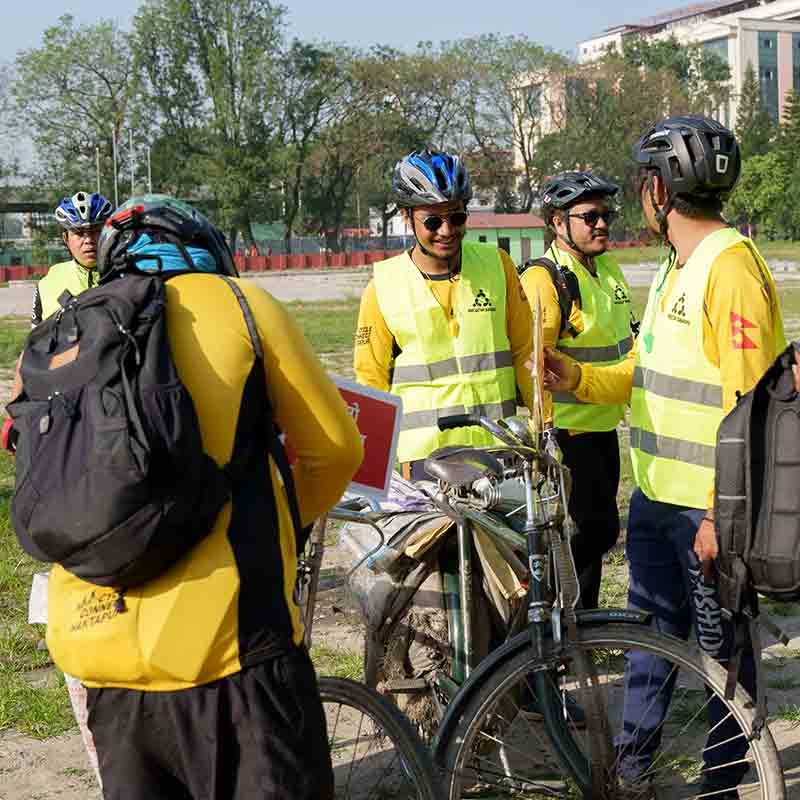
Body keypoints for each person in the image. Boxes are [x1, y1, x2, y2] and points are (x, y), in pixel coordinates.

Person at [42, 195, 364, 800]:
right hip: (230, 654)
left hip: (102, 665)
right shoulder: (243, 305)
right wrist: (285, 527)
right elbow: (336, 450)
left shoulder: (66, 327)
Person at [543, 116, 785, 798]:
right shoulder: (677, 266)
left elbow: (754, 407)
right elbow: (647, 370)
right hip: (656, 499)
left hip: (706, 511)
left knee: (722, 660)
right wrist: (576, 378)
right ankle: (632, 768)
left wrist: (718, 515)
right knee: (652, 638)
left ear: (658, 190)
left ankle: (722, 783)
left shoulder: (729, 267)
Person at [354, 147, 534, 477]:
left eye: (457, 217)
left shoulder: (499, 266)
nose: (447, 230)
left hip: (498, 451)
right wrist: (373, 471)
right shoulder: (382, 286)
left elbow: (527, 352)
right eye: (433, 221)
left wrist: (545, 429)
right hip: (425, 463)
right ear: (407, 218)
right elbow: (371, 382)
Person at [519, 171, 633, 610]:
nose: (601, 224)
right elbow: (534, 366)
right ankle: (564, 627)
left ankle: (579, 622)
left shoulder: (608, 268)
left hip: (604, 425)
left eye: (606, 215)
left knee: (598, 531)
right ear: (557, 222)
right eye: (589, 216)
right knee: (583, 533)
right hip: (564, 435)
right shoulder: (545, 281)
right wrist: (543, 440)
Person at [32, 191, 114, 327]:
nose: (88, 240)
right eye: (79, 233)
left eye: (95, 231)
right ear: (66, 239)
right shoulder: (48, 282)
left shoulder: (127, 276)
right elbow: (34, 341)